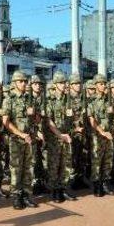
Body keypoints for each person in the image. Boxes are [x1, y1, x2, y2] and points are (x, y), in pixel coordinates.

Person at [2, 70, 39, 209]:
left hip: (30, 140)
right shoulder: (9, 99)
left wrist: (34, 114)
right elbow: (6, 122)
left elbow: (38, 120)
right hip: (16, 140)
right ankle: (16, 196)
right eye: (20, 81)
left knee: (29, 168)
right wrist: (21, 134)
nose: (23, 83)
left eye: (24, 81)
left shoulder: (31, 99)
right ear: (14, 83)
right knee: (16, 169)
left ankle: (27, 195)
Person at [45, 71, 77, 202]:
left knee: (66, 165)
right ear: (55, 84)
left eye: (64, 83)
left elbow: (74, 119)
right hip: (55, 138)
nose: (63, 85)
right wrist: (60, 135)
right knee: (54, 165)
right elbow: (49, 122)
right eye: (61, 83)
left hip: (67, 136)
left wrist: (72, 116)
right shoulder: (50, 100)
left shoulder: (68, 99)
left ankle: (63, 189)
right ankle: (54, 190)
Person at [88, 74, 114, 196]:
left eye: (104, 83)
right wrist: (102, 132)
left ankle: (105, 182)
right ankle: (96, 184)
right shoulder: (91, 101)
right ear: (95, 85)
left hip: (109, 135)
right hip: (98, 135)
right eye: (101, 84)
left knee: (108, 160)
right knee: (97, 160)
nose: (103, 85)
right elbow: (91, 119)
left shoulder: (109, 100)